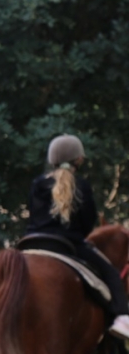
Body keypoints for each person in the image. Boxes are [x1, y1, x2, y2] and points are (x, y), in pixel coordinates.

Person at [25, 134, 129, 341]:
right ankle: (122, 318)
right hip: (67, 245)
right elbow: (87, 223)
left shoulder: (38, 183)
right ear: (79, 160)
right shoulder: (81, 186)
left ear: (51, 160)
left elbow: (33, 213)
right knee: (110, 274)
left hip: (32, 242)